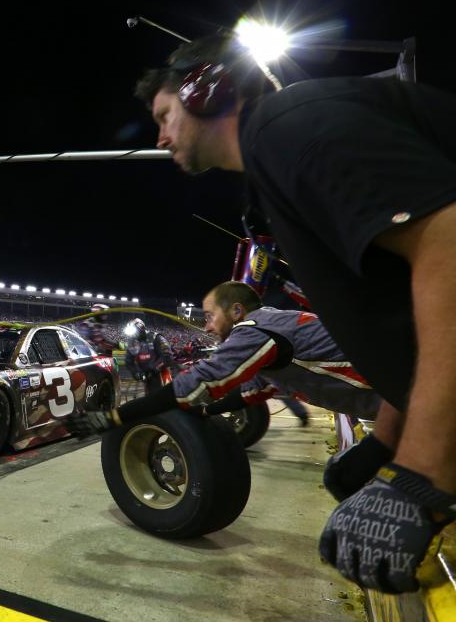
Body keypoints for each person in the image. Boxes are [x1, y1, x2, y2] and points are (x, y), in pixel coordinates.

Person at [134, 31, 456, 592]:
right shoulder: (279, 155)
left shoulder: (295, 132)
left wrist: (420, 477)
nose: (160, 137)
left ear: (203, 90)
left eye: (163, 115)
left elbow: (449, 251)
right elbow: (410, 317)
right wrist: (385, 440)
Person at [67, 281, 399, 484]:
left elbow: (195, 385)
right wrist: (202, 410)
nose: (207, 327)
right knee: (344, 478)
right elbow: (252, 394)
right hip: (401, 401)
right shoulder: (274, 328)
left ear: (237, 311)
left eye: (210, 316)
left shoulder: (254, 330)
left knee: (345, 480)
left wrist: (113, 418)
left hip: (411, 402)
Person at [122, 318, 181, 392]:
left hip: (162, 374)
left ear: (141, 327)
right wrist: (136, 372)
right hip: (147, 377)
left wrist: (154, 368)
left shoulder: (156, 337)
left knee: (164, 396)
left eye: (134, 331)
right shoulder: (132, 342)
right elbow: (128, 361)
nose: (133, 335)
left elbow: (167, 355)